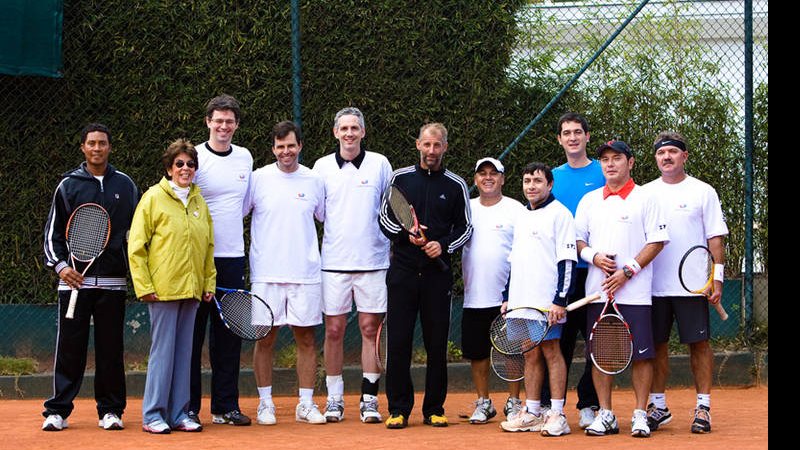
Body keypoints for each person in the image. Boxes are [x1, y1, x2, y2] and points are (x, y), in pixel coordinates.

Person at [42, 123, 140, 432]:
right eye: (91, 143)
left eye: (102, 143)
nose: (97, 148)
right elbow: (52, 235)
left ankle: (110, 411)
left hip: (112, 283)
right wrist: (61, 267)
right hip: (73, 282)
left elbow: (136, 236)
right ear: (83, 147)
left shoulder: (126, 185)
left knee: (111, 350)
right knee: (69, 348)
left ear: (110, 147)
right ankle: (57, 411)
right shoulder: (68, 185)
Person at [378, 122, 472, 429]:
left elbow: (465, 228)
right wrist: (408, 237)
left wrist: (441, 246)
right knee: (399, 342)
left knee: (436, 344)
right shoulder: (399, 179)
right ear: (418, 144)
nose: (431, 151)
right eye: (427, 145)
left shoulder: (455, 185)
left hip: (437, 278)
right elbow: (384, 219)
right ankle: (398, 409)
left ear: (445, 147)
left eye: (437, 146)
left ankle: (434, 408)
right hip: (402, 274)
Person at [574, 140, 668, 438]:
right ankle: (607, 414)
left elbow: (657, 241)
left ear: (631, 162)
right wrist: (594, 257)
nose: (610, 164)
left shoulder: (646, 198)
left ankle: (640, 414)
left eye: (617, 158)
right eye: (605, 159)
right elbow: (578, 242)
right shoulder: (589, 200)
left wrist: (628, 271)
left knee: (642, 355)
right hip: (597, 292)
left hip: (636, 292)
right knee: (600, 355)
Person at [128, 139, 216, 434]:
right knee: (163, 352)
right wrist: (144, 286)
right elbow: (136, 246)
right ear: (169, 168)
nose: (185, 168)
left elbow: (208, 246)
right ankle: (153, 414)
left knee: (184, 354)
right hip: (162, 290)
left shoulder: (199, 202)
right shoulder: (153, 198)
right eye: (179, 164)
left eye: (190, 164)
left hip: (192, 291)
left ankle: (179, 413)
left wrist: (208, 283)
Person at [644, 132, 728, 434]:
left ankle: (703, 408)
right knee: (656, 347)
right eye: (661, 152)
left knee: (700, 346)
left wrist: (715, 278)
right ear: (656, 158)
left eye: (672, 152)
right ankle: (658, 406)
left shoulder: (703, 191)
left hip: (694, 287)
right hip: (652, 287)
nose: (666, 157)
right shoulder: (645, 194)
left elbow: (714, 237)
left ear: (684, 156)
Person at [312, 107, 393, 423]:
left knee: (370, 329)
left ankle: (369, 398)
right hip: (333, 263)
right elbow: (319, 213)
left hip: (374, 262)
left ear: (362, 132)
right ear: (335, 133)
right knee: (333, 330)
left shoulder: (380, 164)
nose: (349, 133)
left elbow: (390, 209)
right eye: (343, 128)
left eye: (354, 128)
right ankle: (334, 399)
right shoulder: (320, 168)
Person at [246, 120, 327, 426]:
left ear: (300, 147)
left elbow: (324, 218)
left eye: (291, 146)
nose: (286, 152)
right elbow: (237, 211)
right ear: (273, 149)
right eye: (280, 147)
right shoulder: (258, 179)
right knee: (264, 338)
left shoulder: (314, 180)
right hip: (266, 274)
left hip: (305, 273)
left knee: (306, 339)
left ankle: (305, 404)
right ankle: (265, 404)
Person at [189, 94, 253, 426]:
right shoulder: (194, 158)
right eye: (218, 120)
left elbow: (242, 206)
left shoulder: (245, 157)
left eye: (229, 121)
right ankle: (188, 409)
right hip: (198, 261)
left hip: (232, 259)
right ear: (208, 122)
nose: (223, 126)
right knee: (194, 334)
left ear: (236, 125)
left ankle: (225, 407)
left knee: (229, 335)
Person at [499, 162, 577, 437]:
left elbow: (567, 261)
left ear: (549, 184)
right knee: (530, 353)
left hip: (546, 303)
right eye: (527, 181)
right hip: (521, 302)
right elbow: (514, 260)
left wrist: (560, 300)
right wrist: (508, 296)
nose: (531, 186)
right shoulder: (521, 216)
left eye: (537, 181)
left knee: (552, 353)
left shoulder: (561, 215)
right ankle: (532, 411)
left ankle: (557, 413)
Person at [540, 112, 604, 429]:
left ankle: (589, 403)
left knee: (594, 341)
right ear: (559, 139)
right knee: (558, 343)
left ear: (587, 137)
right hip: (559, 276)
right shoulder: (551, 177)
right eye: (567, 133)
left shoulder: (603, 172)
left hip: (594, 274)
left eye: (578, 132)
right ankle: (554, 408)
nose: (573, 137)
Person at [459, 157, 525, 424]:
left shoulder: (516, 209)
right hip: (474, 295)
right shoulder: (466, 208)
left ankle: (513, 401)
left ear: (502, 179)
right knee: (478, 353)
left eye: (493, 174)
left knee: (512, 350)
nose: (488, 178)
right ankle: (484, 402)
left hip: (508, 298)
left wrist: (514, 293)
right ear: (475, 179)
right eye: (482, 174)